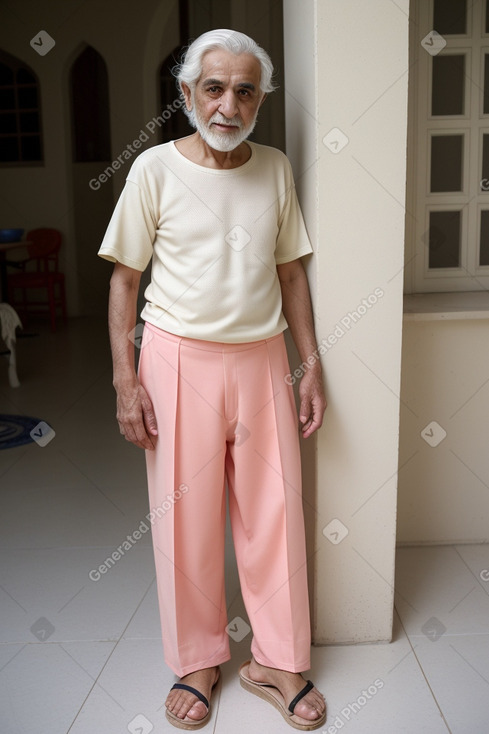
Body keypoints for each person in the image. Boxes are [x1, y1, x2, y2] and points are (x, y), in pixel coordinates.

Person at [98, 28, 327, 731]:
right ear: (188, 93)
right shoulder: (154, 170)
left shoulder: (276, 168)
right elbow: (124, 280)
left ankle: (276, 659)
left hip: (261, 358)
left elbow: (290, 271)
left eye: (245, 90)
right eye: (214, 87)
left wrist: (309, 363)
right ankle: (198, 660)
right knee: (184, 519)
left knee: (274, 515)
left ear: (260, 98)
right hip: (174, 359)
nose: (229, 104)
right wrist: (124, 381)